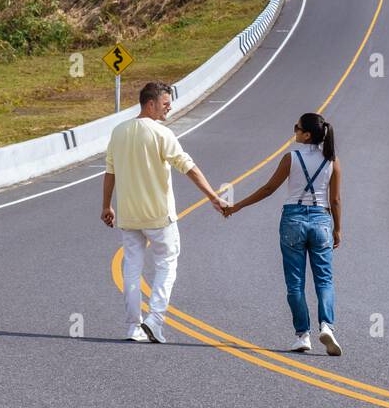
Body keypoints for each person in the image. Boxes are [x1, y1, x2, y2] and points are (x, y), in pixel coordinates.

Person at [102, 80, 228, 343]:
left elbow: (110, 172)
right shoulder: (161, 134)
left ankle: (133, 327)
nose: (168, 109)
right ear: (150, 104)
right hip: (159, 216)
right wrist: (213, 197)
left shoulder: (119, 132)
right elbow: (188, 167)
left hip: (128, 215)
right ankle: (155, 319)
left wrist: (106, 205)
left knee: (132, 269)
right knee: (167, 265)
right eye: (165, 104)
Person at [224, 113, 342, 355]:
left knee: (295, 282)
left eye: (297, 128)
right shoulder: (332, 160)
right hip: (321, 219)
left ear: (307, 134)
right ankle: (327, 325)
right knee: (324, 280)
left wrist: (237, 206)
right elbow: (336, 200)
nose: (295, 131)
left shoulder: (292, 158)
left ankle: (303, 335)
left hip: (293, 220)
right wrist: (337, 228)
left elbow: (268, 189)